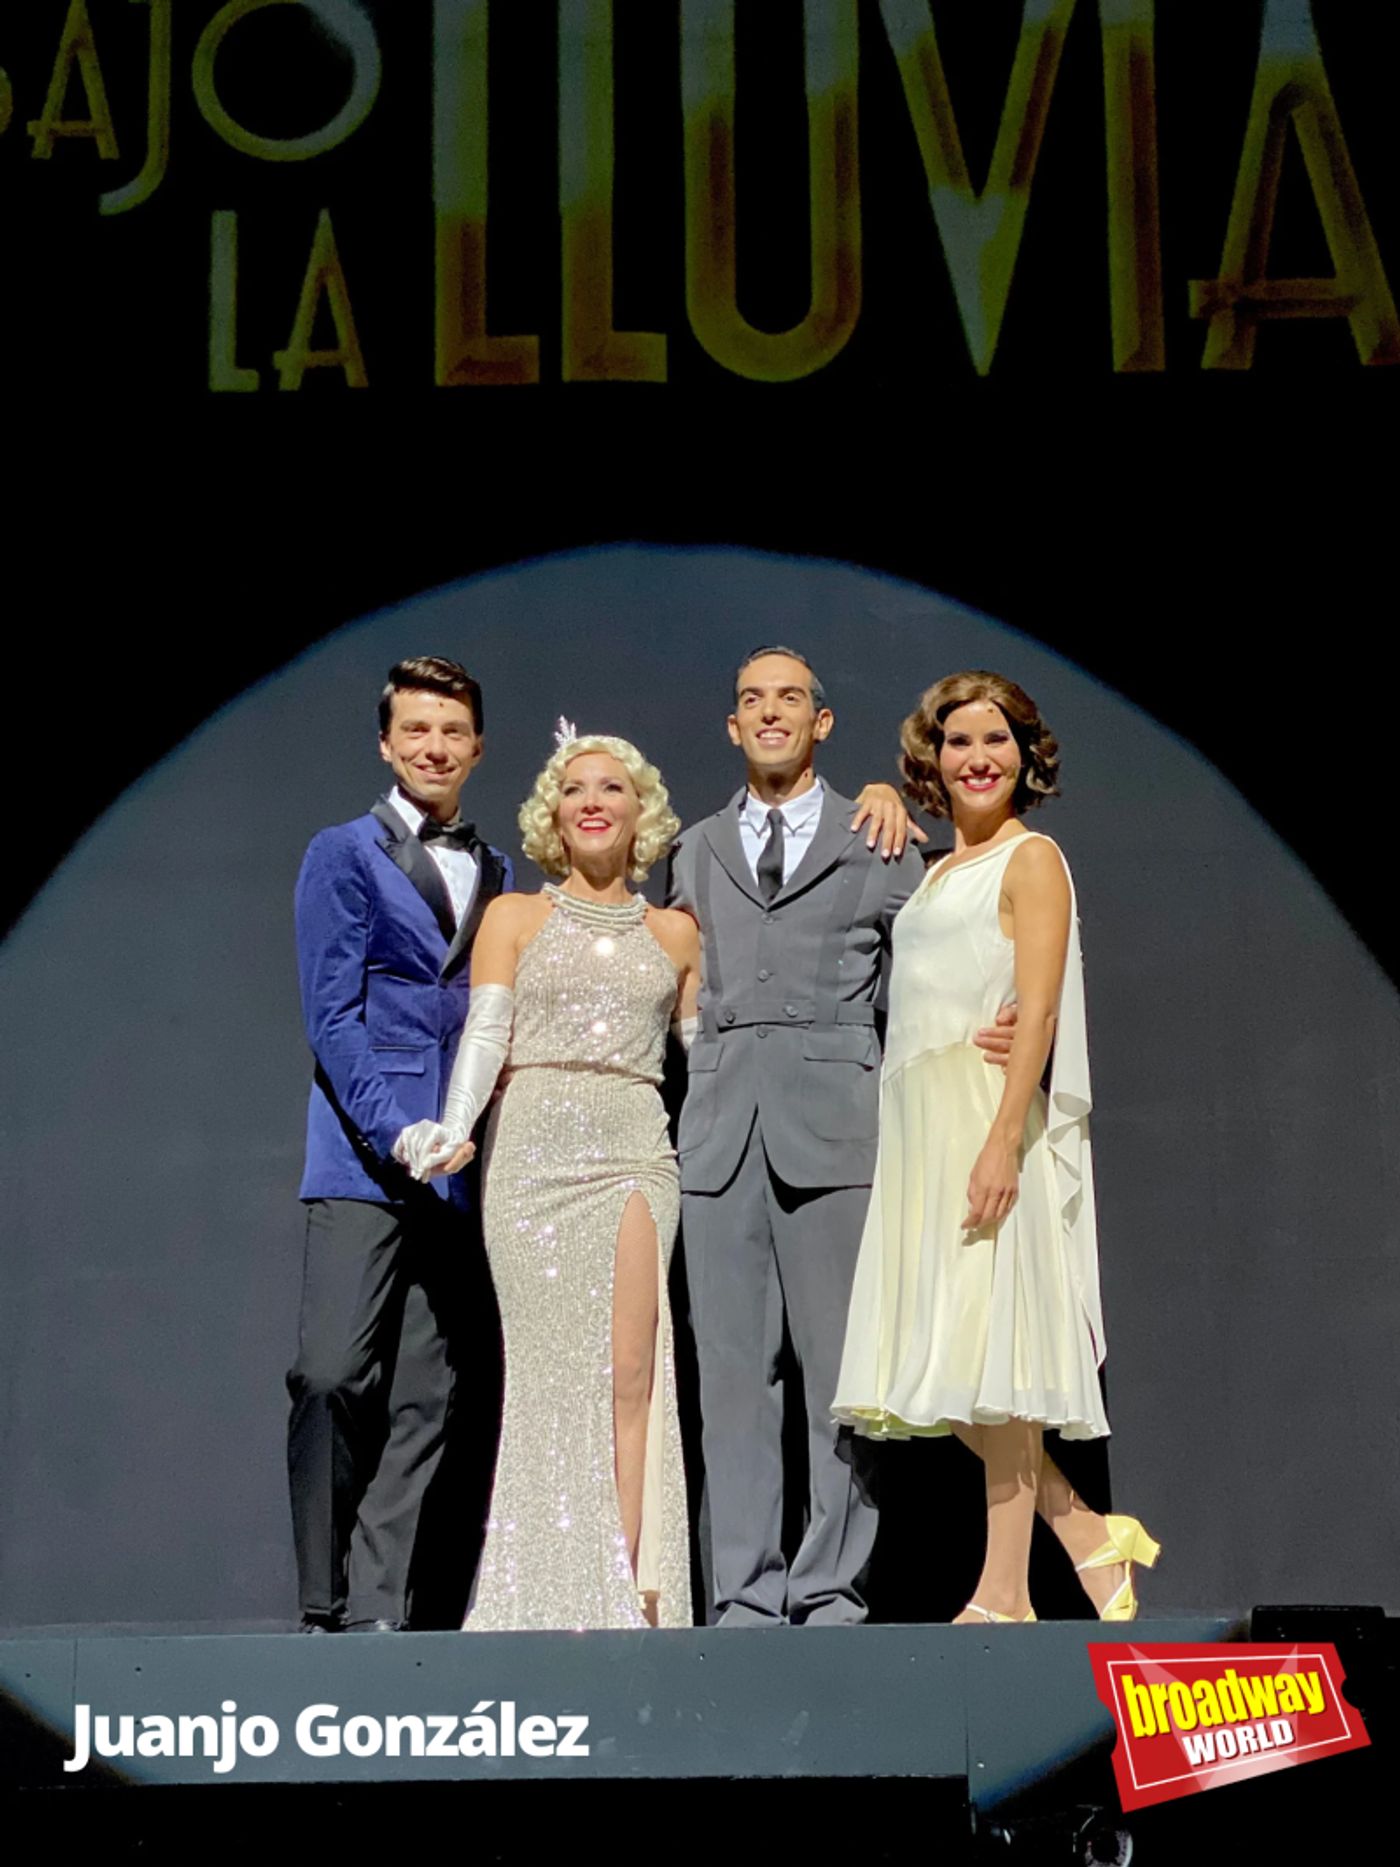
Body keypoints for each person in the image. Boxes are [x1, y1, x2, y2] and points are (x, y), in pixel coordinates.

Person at [665, 647, 1016, 1627]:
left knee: (841, 1379)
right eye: (751, 700)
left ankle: (828, 1589)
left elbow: (950, 945)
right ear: (732, 726)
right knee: (732, 1380)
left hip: (837, 1133)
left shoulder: (877, 836)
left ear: (820, 722)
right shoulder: (691, 850)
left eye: (789, 698)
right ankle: (743, 1594)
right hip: (719, 1137)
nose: (769, 712)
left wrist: (1003, 1011)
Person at [833, 671, 1160, 1624]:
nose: (978, 758)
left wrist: (1001, 1140)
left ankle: (1006, 1589)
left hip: (980, 1116)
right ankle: (1086, 1531)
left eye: (996, 740)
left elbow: (1041, 1009)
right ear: (933, 757)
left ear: (1025, 756)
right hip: (920, 1130)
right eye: (958, 741)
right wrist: (879, 793)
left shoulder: (1033, 858)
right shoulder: (937, 871)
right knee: (941, 1359)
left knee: (996, 1358)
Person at [398, 728, 702, 1630]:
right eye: (576, 789)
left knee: (629, 1371)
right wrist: (454, 1127)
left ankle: (630, 1588)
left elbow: (714, 1064)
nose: (593, 801)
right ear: (554, 815)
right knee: (546, 1374)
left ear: (641, 812)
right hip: (532, 1155)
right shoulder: (514, 917)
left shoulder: (677, 933)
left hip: (635, 1150)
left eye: (612, 787)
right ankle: (543, 1590)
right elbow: (486, 1033)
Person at [286, 656, 513, 1633]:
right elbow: (332, 1018)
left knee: (431, 1394)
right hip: (364, 1156)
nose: (434, 746)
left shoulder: (498, 870)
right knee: (332, 1373)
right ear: (386, 743)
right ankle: (322, 1598)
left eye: (452, 731)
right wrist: (397, 1127)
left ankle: (382, 1606)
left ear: (477, 747)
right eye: (416, 729)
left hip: (460, 1167)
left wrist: (464, 1130)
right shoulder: (342, 852)